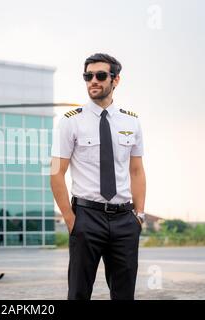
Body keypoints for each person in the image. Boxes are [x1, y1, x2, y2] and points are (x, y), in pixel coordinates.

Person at [50, 53, 146, 300]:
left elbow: (136, 171)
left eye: (100, 75)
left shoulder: (131, 122)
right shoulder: (71, 122)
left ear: (116, 80)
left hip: (125, 219)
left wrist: (140, 216)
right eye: (88, 76)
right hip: (86, 218)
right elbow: (56, 173)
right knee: (79, 293)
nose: (93, 80)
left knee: (124, 295)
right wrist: (72, 221)